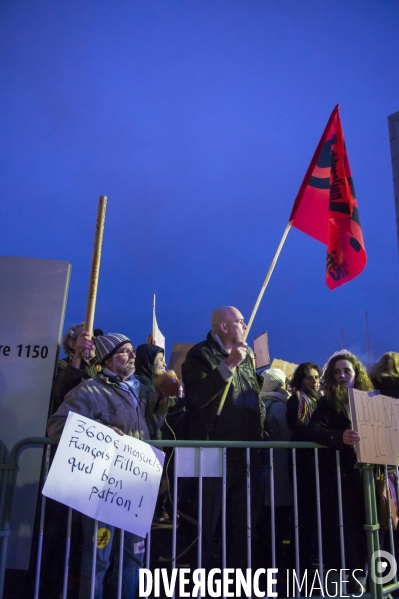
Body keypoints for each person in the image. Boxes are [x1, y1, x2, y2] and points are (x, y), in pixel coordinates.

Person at [47, 333, 169, 599]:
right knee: (99, 557)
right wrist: (98, 431)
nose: (133, 355)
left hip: (134, 487)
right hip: (103, 489)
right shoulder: (89, 391)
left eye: (131, 350)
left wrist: (162, 398)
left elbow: (154, 425)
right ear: (108, 360)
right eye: (125, 351)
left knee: (133, 557)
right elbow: (56, 426)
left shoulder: (139, 389)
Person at [182, 306, 263, 570]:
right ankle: (199, 581)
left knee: (241, 525)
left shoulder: (248, 356)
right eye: (241, 321)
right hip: (213, 453)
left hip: (245, 453)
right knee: (207, 523)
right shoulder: (200, 354)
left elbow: (253, 398)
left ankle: (237, 581)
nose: (245, 326)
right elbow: (196, 399)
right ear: (225, 327)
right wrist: (229, 365)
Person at [307, 350, 374, 593]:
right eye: (337, 372)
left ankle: (376, 579)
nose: (342, 375)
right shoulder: (328, 403)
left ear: (357, 373)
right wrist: (339, 437)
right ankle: (353, 580)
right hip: (343, 476)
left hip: (370, 477)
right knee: (349, 529)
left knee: (374, 527)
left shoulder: (370, 399)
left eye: (347, 371)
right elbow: (312, 429)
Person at [256, 368, 292, 588]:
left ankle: (267, 568)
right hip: (280, 469)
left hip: (272, 469)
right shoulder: (279, 405)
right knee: (276, 520)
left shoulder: (269, 404)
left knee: (271, 520)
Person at [50, 323, 103, 413]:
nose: (91, 342)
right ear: (73, 344)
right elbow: (61, 394)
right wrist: (79, 355)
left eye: (92, 338)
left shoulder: (100, 367)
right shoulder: (60, 365)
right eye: (85, 338)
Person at [286, 362, 321, 432]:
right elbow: (294, 426)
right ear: (300, 380)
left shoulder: (323, 400)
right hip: (303, 441)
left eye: (317, 377)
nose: (315, 381)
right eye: (309, 378)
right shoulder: (296, 400)